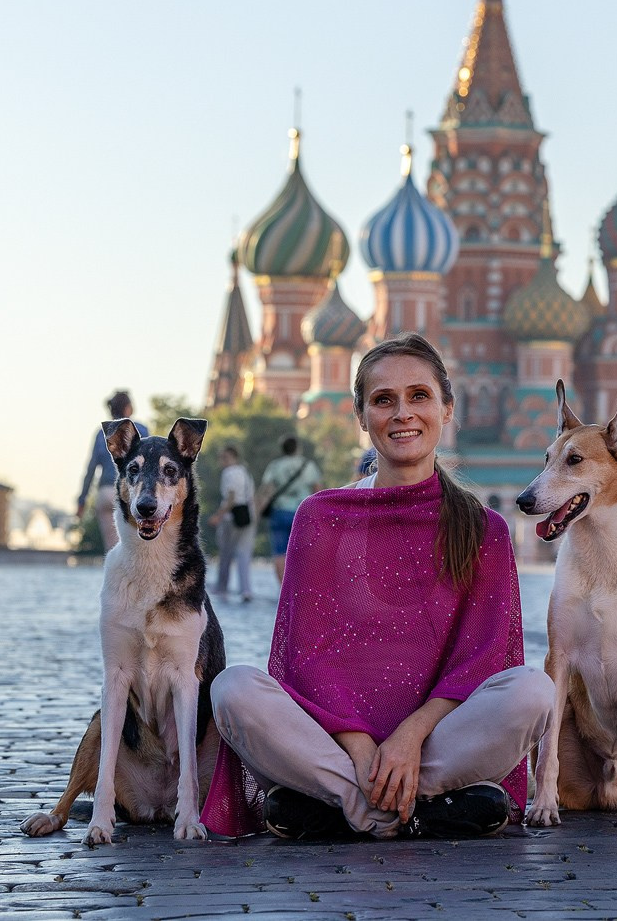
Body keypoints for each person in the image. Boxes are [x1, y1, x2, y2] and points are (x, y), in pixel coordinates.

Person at [200, 333, 554, 840]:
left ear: (447, 408)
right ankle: (411, 810)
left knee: (532, 690)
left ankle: (346, 807)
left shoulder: (483, 529)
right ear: (362, 417)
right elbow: (308, 655)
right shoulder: (321, 517)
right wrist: (363, 749)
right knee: (233, 690)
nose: (402, 413)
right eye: (383, 400)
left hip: (438, 739)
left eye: (419, 396)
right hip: (337, 741)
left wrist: (411, 736)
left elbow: (485, 656)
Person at [75, 390, 147, 554]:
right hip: (131, 491)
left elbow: (91, 469)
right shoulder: (141, 430)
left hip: (106, 492)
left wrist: (82, 501)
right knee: (136, 548)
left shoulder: (102, 433)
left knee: (113, 549)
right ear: (129, 408)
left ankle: (115, 579)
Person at [256, 436, 321, 580]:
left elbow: (266, 489)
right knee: (303, 551)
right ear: (297, 447)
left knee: (279, 552)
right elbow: (317, 490)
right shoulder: (307, 465)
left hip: (279, 512)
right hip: (302, 512)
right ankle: (300, 585)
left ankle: (282, 589)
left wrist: (258, 511)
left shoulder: (275, 466)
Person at [206, 444, 256, 601]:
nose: (222, 461)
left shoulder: (229, 472)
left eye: (224, 457)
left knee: (226, 553)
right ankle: (245, 589)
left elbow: (231, 498)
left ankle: (222, 587)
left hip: (231, 518)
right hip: (247, 515)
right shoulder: (245, 471)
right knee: (243, 554)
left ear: (232, 457)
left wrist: (218, 516)